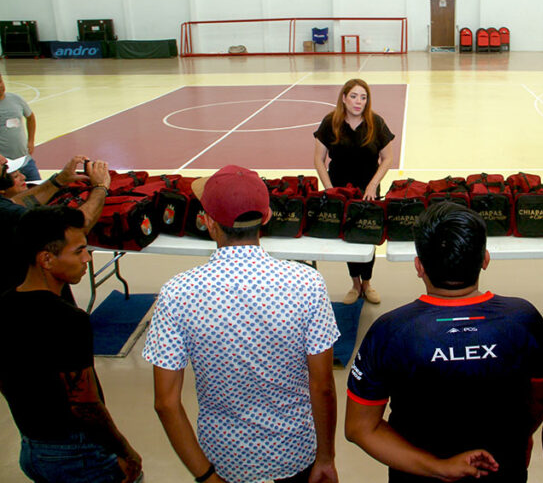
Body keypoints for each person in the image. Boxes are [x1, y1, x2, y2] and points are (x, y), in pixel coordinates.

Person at [143, 165, 340, 483]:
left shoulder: (177, 293)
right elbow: (323, 387)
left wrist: (206, 476)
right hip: (296, 453)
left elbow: (166, 403)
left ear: (207, 223)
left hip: (225, 459)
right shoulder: (307, 283)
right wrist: (326, 457)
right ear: (266, 217)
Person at [345, 202, 543, 482]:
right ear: (485, 258)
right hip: (504, 469)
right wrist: (520, 436)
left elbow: (360, 428)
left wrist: (439, 467)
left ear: (418, 266)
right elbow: (541, 397)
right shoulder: (524, 319)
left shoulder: (390, 330)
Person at [0, 206, 142, 482]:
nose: (87, 258)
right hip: (76, 455)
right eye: (78, 251)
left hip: (31, 448)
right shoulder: (68, 320)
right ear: (46, 259)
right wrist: (124, 450)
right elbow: (85, 405)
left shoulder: (4, 304)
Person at [313, 78, 395, 304]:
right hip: (340, 188)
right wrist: (330, 189)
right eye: (354, 96)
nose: (358, 102)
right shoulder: (331, 122)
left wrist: (372, 185)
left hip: (368, 188)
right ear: (344, 98)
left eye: (363, 97)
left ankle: (368, 283)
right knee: (348, 234)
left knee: (367, 234)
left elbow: (387, 159)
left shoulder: (376, 123)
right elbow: (319, 160)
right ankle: (355, 283)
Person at [0, 154, 111, 298]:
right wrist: (100, 187)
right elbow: (74, 228)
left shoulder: (6, 208)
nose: (4, 160)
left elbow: (15, 203)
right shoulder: (6, 212)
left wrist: (59, 181)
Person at [0, 72, 40, 180]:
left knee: (38, 189)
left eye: (0, 81)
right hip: (4, 167)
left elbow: (30, 117)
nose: (0, 85)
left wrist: (31, 140)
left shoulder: (16, 99)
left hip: (25, 160)